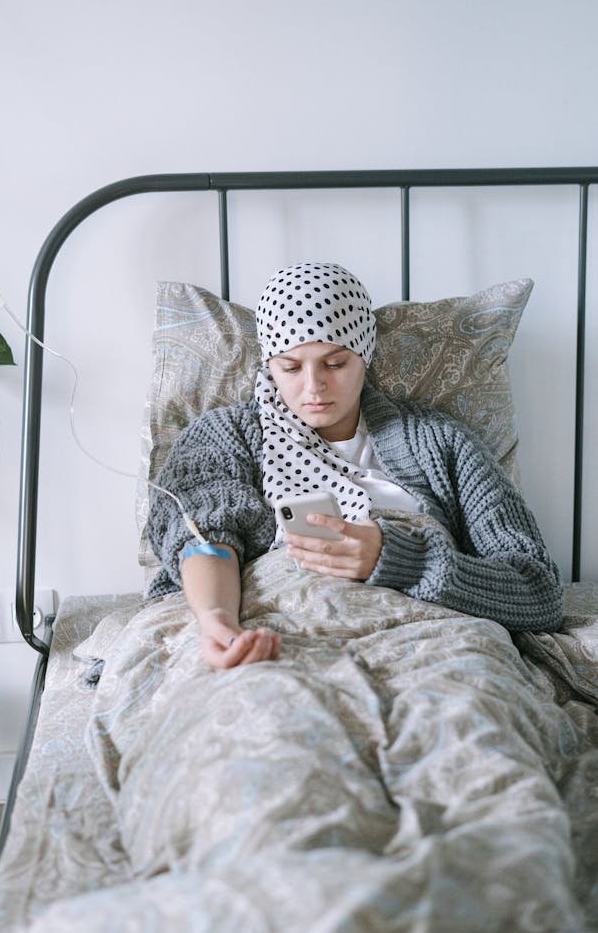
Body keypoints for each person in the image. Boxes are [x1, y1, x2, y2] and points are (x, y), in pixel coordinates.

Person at [147, 262, 563, 669]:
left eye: (335, 363)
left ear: (365, 355)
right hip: (276, 638)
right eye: (290, 366)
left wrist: (402, 560)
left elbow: (538, 592)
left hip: (430, 647)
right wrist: (216, 620)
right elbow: (204, 538)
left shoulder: (439, 442)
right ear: (269, 363)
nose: (314, 386)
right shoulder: (225, 437)